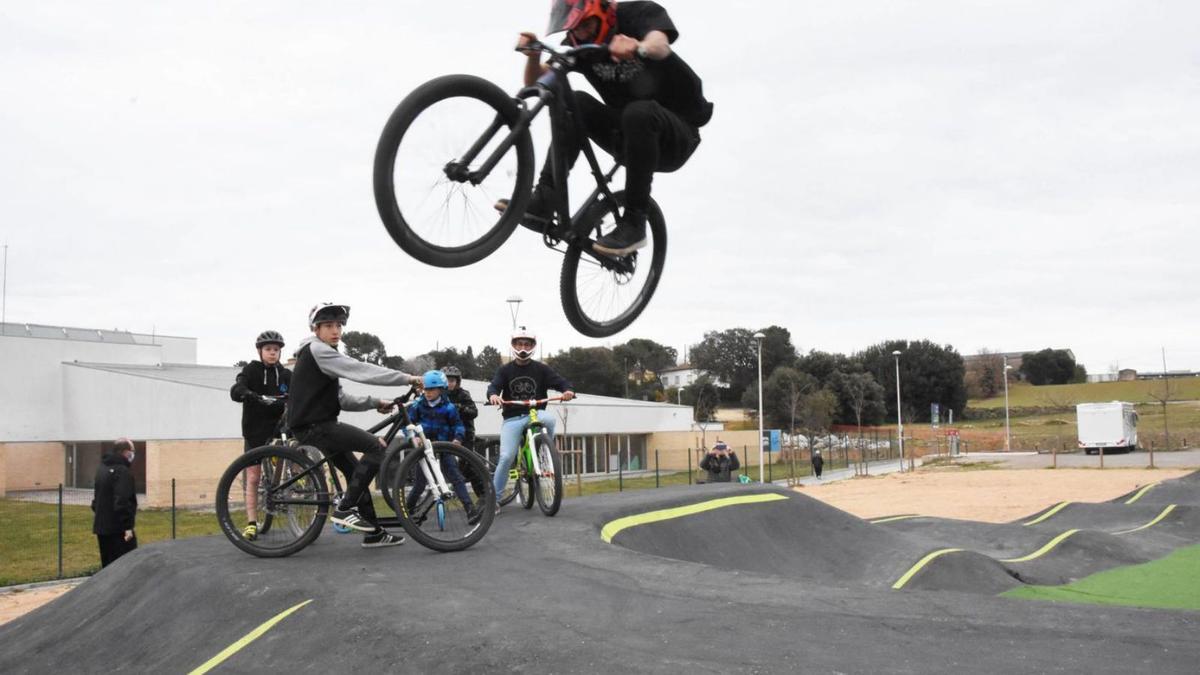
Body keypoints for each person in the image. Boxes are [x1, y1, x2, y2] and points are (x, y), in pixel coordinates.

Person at [502, 0, 713, 256]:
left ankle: (635, 223)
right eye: (576, 29)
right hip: (628, 134)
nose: (583, 34)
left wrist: (638, 46)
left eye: (587, 25)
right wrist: (534, 56)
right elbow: (539, 82)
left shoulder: (638, 14)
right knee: (573, 102)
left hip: (677, 136)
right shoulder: (581, 47)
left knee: (640, 111)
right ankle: (546, 198)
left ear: (604, 14)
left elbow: (660, 44)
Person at [287, 302, 422, 548]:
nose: (335, 330)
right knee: (377, 447)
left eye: (339, 325)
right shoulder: (319, 350)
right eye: (328, 325)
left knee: (354, 473)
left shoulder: (319, 354)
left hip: (317, 425)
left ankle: (374, 533)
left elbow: (340, 399)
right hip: (315, 426)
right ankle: (344, 509)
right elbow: (361, 369)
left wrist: (375, 402)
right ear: (316, 329)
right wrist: (407, 378)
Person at [486, 327, 575, 509]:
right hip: (512, 417)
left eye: (527, 344)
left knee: (549, 420)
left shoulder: (541, 369)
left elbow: (561, 381)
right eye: (519, 343)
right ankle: (493, 501)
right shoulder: (505, 370)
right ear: (513, 345)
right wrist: (493, 396)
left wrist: (568, 390)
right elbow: (494, 386)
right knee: (506, 457)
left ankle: (545, 450)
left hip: (535, 412)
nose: (523, 347)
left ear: (533, 346)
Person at [229, 330, 292, 541]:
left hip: (278, 427)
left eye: (276, 350)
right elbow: (238, 387)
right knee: (254, 477)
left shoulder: (285, 374)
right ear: (260, 351)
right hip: (255, 429)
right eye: (268, 349)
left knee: (295, 444)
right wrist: (244, 392)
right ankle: (252, 523)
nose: (273, 353)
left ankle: (295, 479)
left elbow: (298, 393)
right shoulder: (252, 370)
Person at [403, 370, 481, 524]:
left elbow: (458, 425)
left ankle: (470, 510)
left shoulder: (449, 408)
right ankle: (406, 511)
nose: (427, 393)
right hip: (424, 448)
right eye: (425, 389)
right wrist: (414, 437)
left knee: (456, 477)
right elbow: (407, 424)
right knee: (420, 483)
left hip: (444, 446)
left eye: (431, 389)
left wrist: (457, 439)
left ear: (441, 390)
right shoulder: (418, 404)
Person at [92, 438, 138, 568]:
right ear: (126, 452)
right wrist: (127, 527)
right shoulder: (122, 471)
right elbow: (122, 500)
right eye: (132, 451)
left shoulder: (102, 469)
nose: (133, 454)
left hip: (102, 528)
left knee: (107, 567)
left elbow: (96, 501)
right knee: (126, 566)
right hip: (118, 529)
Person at [443, 365, 486, 496]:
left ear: (457, 382)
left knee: (468, 466)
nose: (449, 383)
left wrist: (461, 408)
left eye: (452, 381)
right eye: (446, 380)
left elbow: (474, 412)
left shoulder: (463, 394)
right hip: (449, 433)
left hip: (466, 433)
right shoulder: (440, 395)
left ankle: (484, 496)